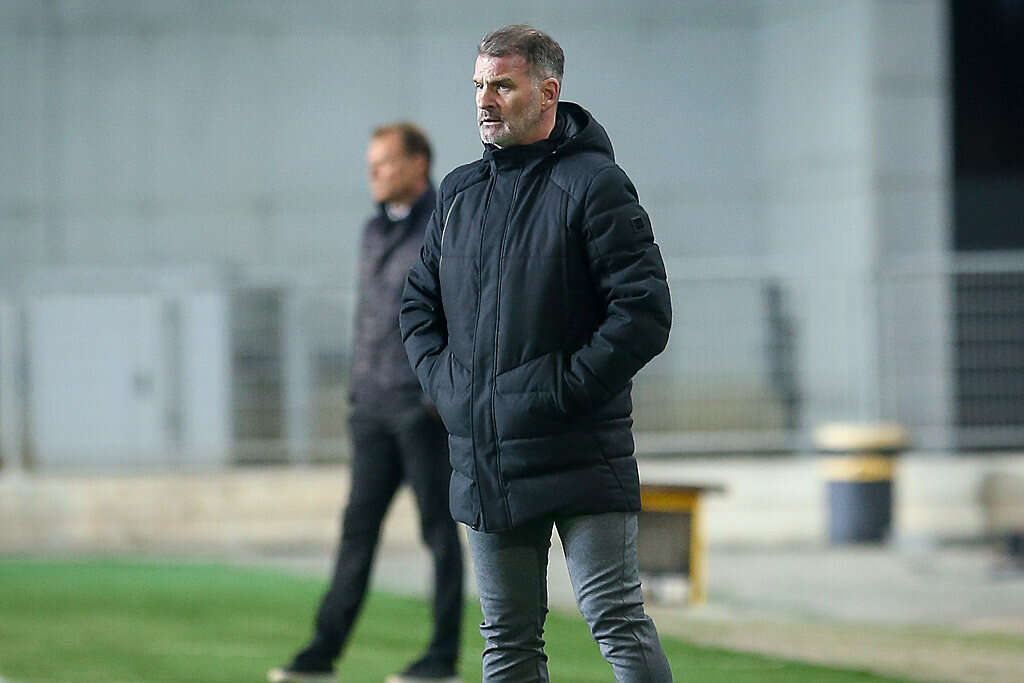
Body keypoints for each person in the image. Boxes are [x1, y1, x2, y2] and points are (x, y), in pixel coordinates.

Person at [400, 24, 673, 683]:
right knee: (507, 641)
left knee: (615, 619)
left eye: (502, 85)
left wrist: (561, 390)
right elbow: (416, 306)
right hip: (488, 457)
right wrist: (451, 390)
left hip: (580, 448)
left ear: (547, 93)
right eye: (478, 86)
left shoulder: (596, 185)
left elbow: (643, 313)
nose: (484, 100)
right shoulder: (459, 194)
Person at [270, 124, 464, 683]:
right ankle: (321, 654)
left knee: (438, 534)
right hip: (373, 410)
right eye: (371, 162)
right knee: (357, 532)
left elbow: (460, 316)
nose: (372, 172)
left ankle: (441, 659)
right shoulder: (372, 231)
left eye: (384, 162)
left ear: (417, 165)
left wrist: (436, 394)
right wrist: (358, 392)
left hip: (420, 412)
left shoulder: (444, 226)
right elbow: (370, 319)